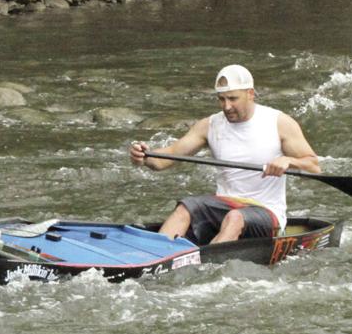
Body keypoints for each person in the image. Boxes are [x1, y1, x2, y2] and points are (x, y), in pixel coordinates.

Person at [129, 64, 320, 244]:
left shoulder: (279, 123)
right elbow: (167, 157)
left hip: (266, 212)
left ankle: (206, 265)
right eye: (222, 99)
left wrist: (289, 161)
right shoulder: (210, 125)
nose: (226, 106)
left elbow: (314, 167)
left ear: (250, 94)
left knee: (235, 217)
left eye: (233, 98)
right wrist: (144, 157)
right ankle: (154, 257)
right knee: (186, 207)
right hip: (225, 205)